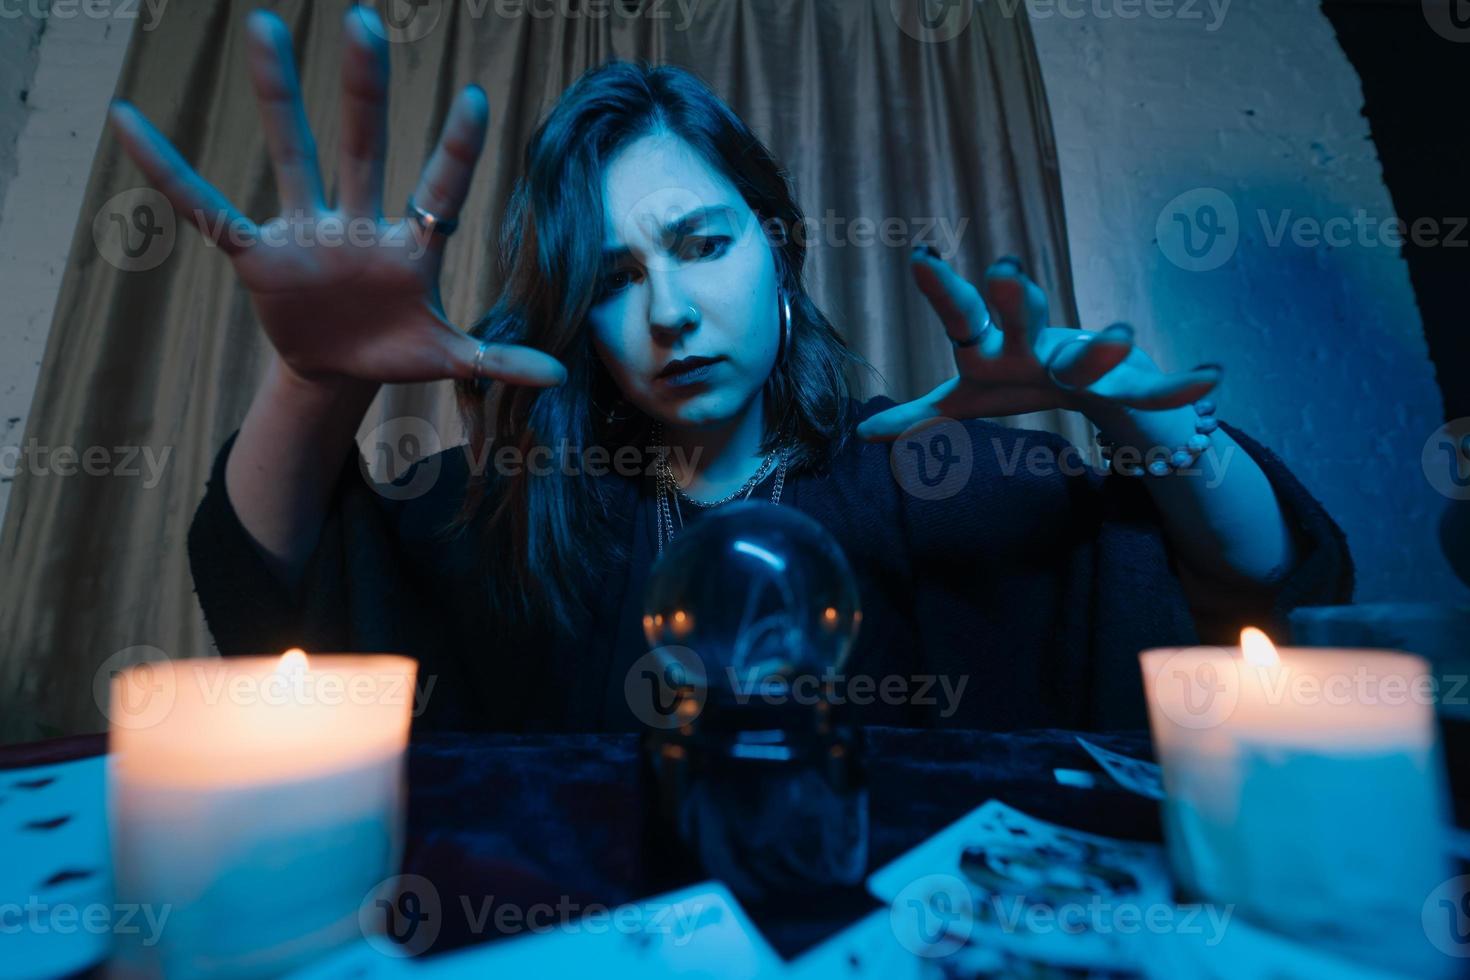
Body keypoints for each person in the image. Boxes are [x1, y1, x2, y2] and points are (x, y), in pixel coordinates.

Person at [109, 7, 1351, 733]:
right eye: (608, 278)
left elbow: (1253, 574)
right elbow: (266, 587)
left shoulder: (923, 474)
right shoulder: (517, 510)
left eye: (702, 244)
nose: (668, 309)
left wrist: (1131, 418)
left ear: (781, 247)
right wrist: (315, 381)